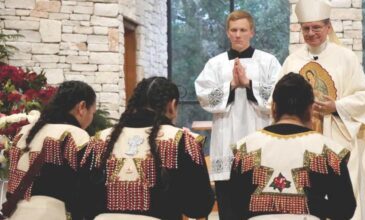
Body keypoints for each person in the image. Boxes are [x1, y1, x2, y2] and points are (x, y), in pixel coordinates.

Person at [279, 0, 365, 219]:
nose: (311, 32)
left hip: (337, 138)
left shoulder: (346, 58)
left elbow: (364, 95)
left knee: (339, 198)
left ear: (328, 27)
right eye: (306, 28)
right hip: (300, 142)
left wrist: (336, 106)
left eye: (316, 27)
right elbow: (275, 102)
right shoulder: (292, 61)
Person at [80, 77, 214, 220]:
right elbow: (199, 206)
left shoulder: (99, 140)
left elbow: (82, 201)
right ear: (172, 105)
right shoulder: (182, 141)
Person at [230, 73, 356, 220]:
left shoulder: (245, 149)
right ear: (310, 109)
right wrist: (312, 206)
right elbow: (345, 209)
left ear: (274, 108)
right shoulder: (329, 151)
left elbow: (235, 206)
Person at [194, 10, 281, 219]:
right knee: (229, 209)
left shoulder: (268, 62)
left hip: (260, 139)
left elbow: (279, 96)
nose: (238, 34)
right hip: (226, 142)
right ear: (227, 33)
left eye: (243, 30)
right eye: (233, 30)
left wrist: (249, 85)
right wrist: (232, 85)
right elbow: (204, 96)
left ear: (252, 32)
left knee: (260, 210)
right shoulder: (215, 64)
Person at [3, 81, 97, 220]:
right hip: (54, 214)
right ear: (82, 107)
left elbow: (12, 186)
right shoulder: (76, 136)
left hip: (17, 214)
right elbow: (85, 191)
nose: (92, 117)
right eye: (93, 112)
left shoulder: (23, 132)